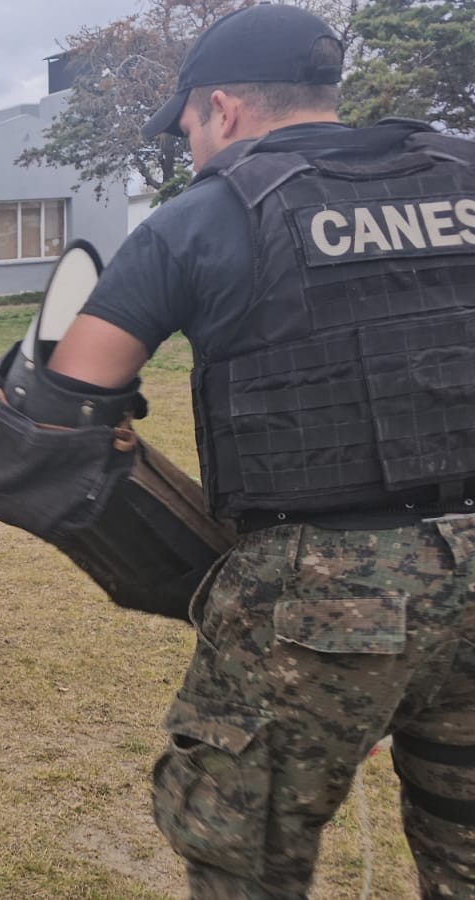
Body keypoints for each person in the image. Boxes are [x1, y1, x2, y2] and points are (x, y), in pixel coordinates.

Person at [41, 5, 475, 895]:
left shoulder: (204, 216)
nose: (194, 147)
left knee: (244, 853)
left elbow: (71, 389)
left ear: (223, 109)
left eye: (191, 126)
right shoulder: (463, 170)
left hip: (324, 596)